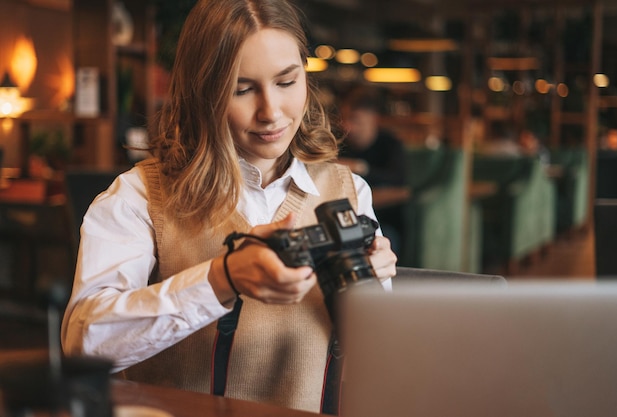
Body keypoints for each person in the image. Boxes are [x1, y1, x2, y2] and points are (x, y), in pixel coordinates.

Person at [60, 0, 397, 414]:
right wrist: (221, 279)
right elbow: (83, 343)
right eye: (242, 89)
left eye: (287, 82)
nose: (271, 112)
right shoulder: (139, 195)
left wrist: (369, 298)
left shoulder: (349, 192)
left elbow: (375, 358)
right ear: (203, 92)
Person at [337, 86, 407, 254]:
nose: (349, 127)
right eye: (345, 119)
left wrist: (363, 169)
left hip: (385, 220)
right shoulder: (341, 143)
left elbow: (400, 182)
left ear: (373, 119)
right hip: (346, 218)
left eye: (355, 120)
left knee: (382, 242)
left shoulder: (390, 144)